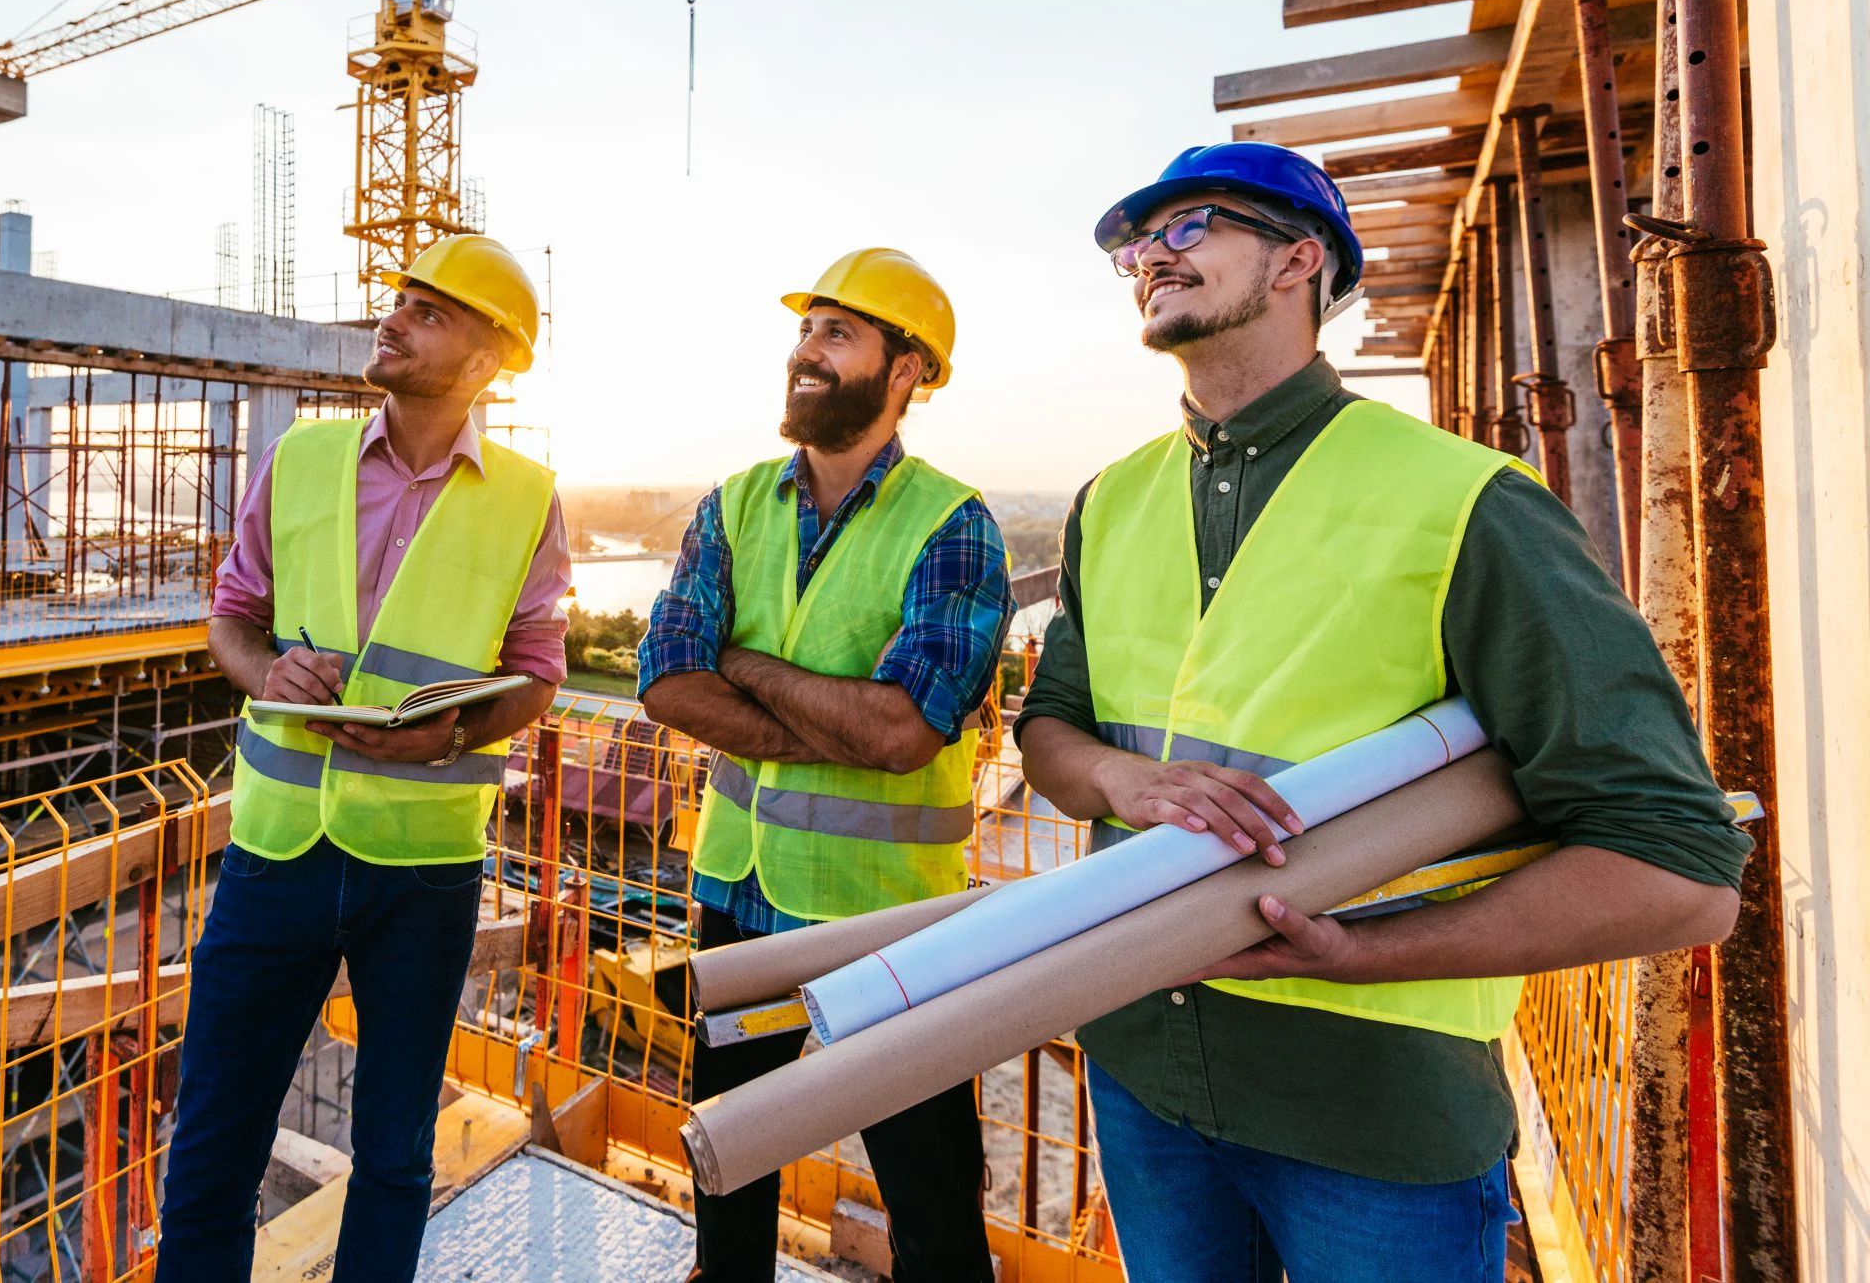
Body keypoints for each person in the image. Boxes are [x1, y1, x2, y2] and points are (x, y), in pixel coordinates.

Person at [1016, 143, 1749, 1282]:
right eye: (1134, 244)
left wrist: (1364, 951)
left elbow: (1681, 863)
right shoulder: (1110, 501)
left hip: (1371, 1111)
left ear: (1301, 258)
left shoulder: (1466, 501)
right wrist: (1125, 781)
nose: (1150, 256)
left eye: (1189, 224)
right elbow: (1051, 732)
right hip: (1145, 1068)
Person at [158, 234, 569, 1283]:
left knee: (393, 1152)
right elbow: (231, 616)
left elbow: (534, 668)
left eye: (428, 310)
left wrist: (457, 734)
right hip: (277, 852)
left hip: (422, 868)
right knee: (211, 1143)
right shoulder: (302, 458)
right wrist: (267, 672)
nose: (391, 316)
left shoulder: (527, 496)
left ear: (486, 359)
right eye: (400, 298)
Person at [640, 248, 1011, 1283]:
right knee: (729, 1167)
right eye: (807, 330)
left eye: (838, 333)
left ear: (906, 371)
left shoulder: (952, 524)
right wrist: (839, 723)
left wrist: (749, 666)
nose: (807, 350)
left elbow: (904, 733)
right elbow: (667, 679)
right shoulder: (734, 504)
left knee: (931, 1203)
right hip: (737, 901)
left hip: (887, 924)